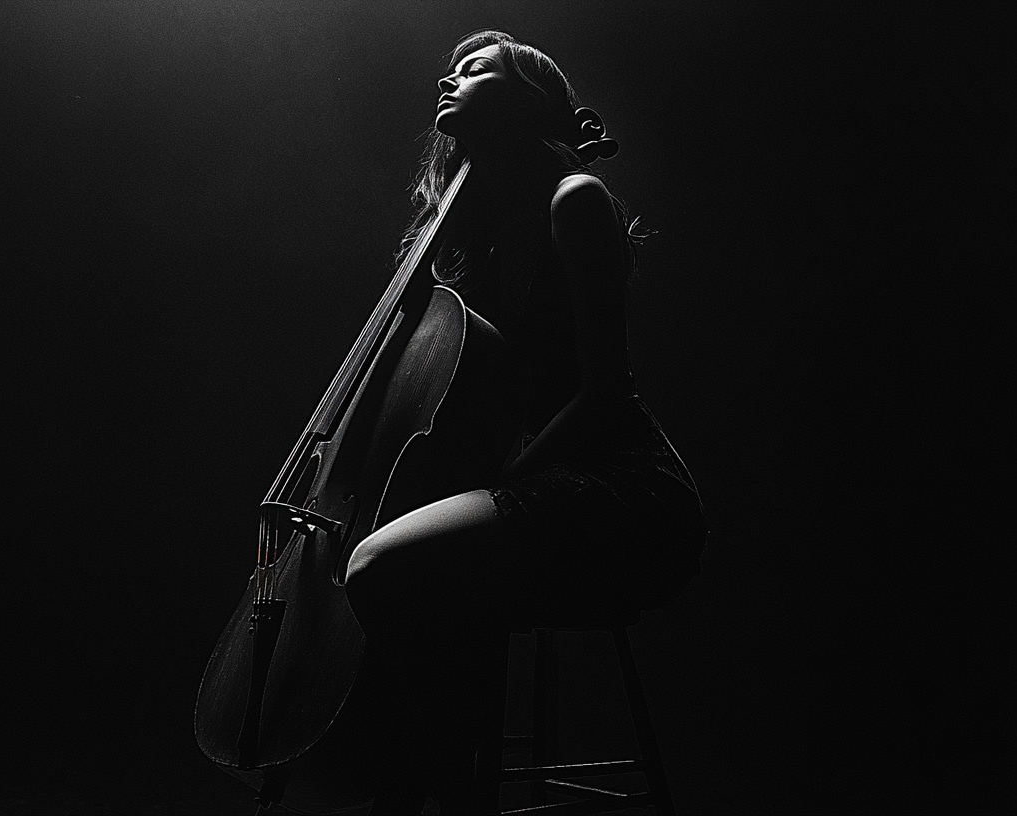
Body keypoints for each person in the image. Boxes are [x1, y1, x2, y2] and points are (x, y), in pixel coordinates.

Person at [252, 30, 708, 814]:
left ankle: (433, 792)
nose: (447, 76)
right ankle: (436, 790)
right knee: (422, 584)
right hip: (546, 478)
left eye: (474, 69)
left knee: (378, 569)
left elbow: (604, 393)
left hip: (624, 492)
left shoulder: (578, 201)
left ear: (526, 97)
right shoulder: (484, 239)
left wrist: (499, 484)